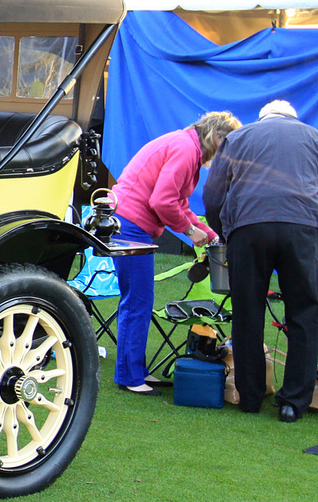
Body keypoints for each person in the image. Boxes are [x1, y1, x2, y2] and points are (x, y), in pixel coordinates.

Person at [109, 111, 240, 394]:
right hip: (130, 227)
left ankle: (134, 371)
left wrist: (210, 234)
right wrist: (191, 232)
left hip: (131, 224)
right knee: (138, 301)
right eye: (228, 146)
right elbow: (162, 201)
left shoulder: (187, 147)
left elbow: (178, 202)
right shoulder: (184, 149)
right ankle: (130, 378)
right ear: (217, 137)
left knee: (138, 300)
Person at [204, 100, 318, 421]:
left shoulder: (238, 138)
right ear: (292, 118)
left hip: (249, 230)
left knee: (247, 310)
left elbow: (213, 194)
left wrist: (224, 231)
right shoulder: (314, 137)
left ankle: (250, 398)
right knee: (304, 313)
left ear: (263, 118)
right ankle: (293, 403)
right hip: (303, 229)